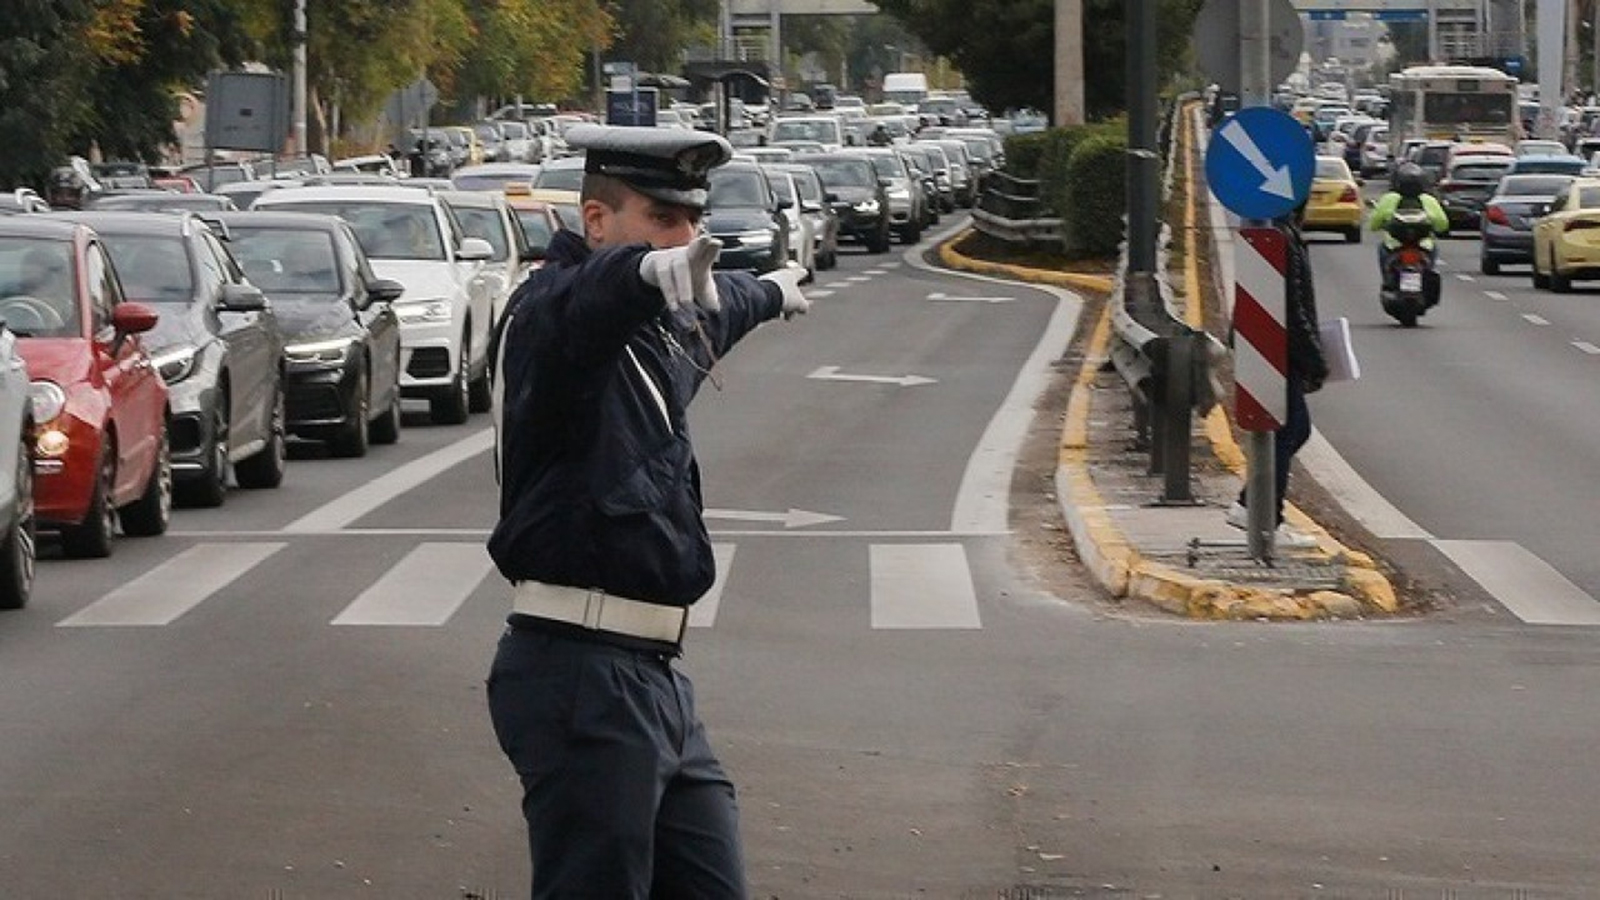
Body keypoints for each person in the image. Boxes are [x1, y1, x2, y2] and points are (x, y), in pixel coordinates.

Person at [484, 123, 810, 898]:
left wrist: (768, 292)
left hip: (653, 675)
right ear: (596, 221)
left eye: (693, 221)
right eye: (664, 219)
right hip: (579, 669)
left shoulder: (657, 327)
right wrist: (642, 273)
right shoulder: (552, 319)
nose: (688, 237)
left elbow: (714, 306)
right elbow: (587, 299)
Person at [1227, 201, 1328, 548]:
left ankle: (1251, 506)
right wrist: (1315, 359)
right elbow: (1293, 311)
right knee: (1288, 431)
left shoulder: (1280, 235)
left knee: (1291, 430)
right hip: (1276, 352)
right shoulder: (1281, 239)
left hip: (1272, 349)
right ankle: (1265, 517)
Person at [1367, 161, 1448, 295]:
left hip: (1394, 245)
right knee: (1434, 250)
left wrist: (1382, 225)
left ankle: (1388, 280)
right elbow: (1442, 224)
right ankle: (1426, 277)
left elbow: (1374, 224)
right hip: (1424, 245)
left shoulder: (1389, 198)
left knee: (1381, 249)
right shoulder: (1428, 200)